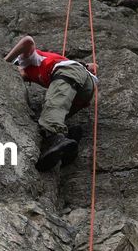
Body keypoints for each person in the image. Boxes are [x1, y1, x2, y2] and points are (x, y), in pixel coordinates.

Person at [5, 35, 97, 172]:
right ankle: (70, 137)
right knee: (58, 112)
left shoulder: (25, 60)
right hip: (85, 90)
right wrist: (86, 66)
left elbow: (27, 40)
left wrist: (5, 62)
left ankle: (57, 139)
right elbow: (95, 66)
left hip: (68, 74)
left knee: (51, 109)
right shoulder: (35, 70)